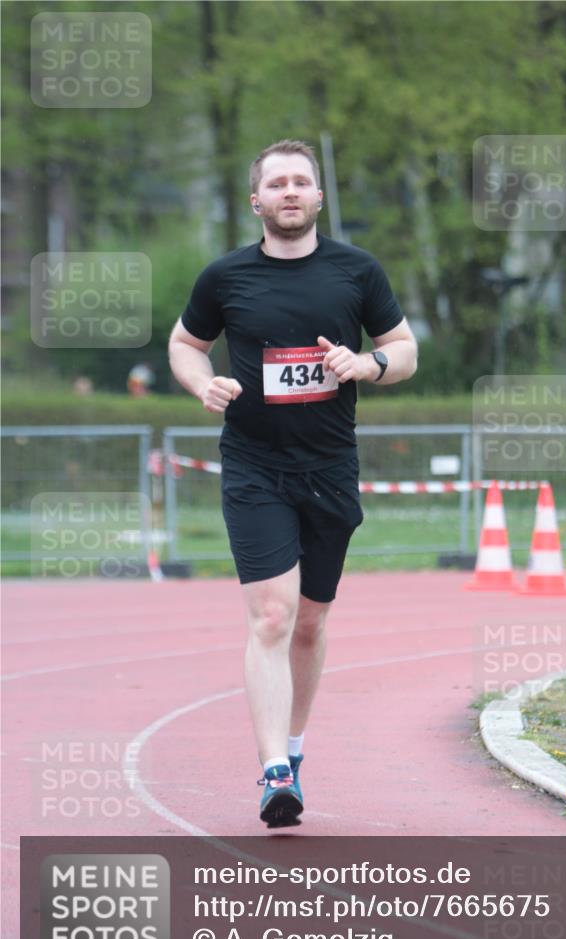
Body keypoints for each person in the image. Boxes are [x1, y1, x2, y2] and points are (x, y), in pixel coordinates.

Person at [168, 139, 417, 828]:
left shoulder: (356, 271)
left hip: (330, 468)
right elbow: (185, 344)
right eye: (276, 183)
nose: (289, 192)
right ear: (256, 200)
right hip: (254, 466)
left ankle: (295, 748)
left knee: (309, 621)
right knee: (272, 616)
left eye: (300, 182)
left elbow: (404, 350)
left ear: (317, 196)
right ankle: (274, 768)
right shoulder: (225, 277)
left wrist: (367, 366)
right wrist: (201, 382)